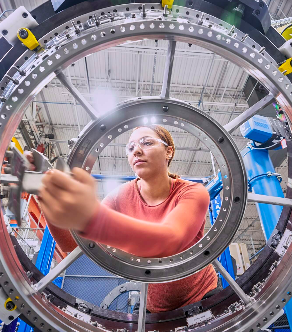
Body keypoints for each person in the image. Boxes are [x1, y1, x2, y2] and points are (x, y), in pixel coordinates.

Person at [32, 125, 218, 313]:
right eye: (130, 148)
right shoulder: (120, 196)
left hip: (202, 297)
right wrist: (46, 196)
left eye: (147, 142)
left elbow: (170, 240)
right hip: (153, 307)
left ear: (169, 151)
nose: (136, 150)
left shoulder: (192, 192)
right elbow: (74, 246)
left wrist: (93, 219)